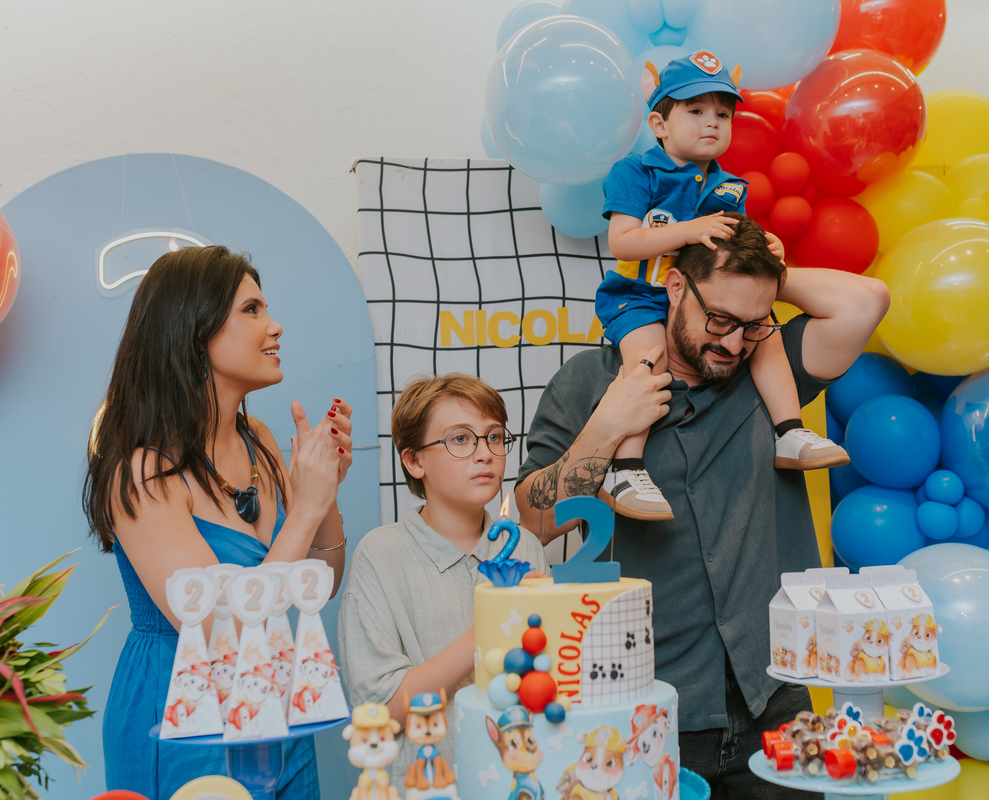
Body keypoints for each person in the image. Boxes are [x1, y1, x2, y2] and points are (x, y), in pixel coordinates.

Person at [515, 215, 890, 798]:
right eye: (719, 318)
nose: (734, 342)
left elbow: (866, 301)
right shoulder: (590, 381)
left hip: (776, 698)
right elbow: (535, 519)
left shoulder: (771, 374)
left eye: (752, 324)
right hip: (648, 704)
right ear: (674, 288)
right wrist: (606, 429)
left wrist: (766, 276)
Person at [84, 246, 350, 800]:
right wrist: (303, 507)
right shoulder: (142, 473)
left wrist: (324, 494)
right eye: (251, 309)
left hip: (279, 707)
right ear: (192, 330)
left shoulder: (264, 443)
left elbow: (319, 585)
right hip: (184, 713)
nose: (275, 326)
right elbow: (223, 633)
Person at [594, 52, 847, 522]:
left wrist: (763, 245)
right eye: (695, 111)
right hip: (641, 297)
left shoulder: (730, 184)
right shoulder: (637, 171)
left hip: (700, 296)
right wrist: (689, 230)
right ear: (659, 123)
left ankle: (789, 429)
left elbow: (729, 254)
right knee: (647, 362)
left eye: (723, 114)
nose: (712, 123)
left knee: (764, 334)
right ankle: (626, 467)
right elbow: (622, 243)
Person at [339, 374, 549, 787]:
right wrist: (492, 624)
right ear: (414, 461)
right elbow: (381, 710)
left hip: (520, 780)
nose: (484, 454)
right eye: (459, 439)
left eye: (494, 437)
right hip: (428, 785)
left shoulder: (524, 545)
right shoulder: (380, 555)